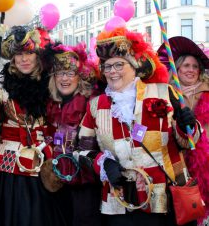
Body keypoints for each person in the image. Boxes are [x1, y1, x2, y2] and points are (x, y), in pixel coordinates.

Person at [77, 27, 200, 226]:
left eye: (118, 65)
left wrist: (187, 125)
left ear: (134, 66)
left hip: (163, 200)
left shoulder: (164, 92)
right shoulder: (96, 105)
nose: (112, 72)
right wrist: (102, 162)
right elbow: (81, 150)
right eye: (107, 67)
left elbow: (189, 143)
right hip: (119, 204)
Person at [0, 26, 67, 226]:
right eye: (19, 54)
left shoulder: (51, 84)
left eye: (29, 53)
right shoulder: (0, 85)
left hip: (41, 161)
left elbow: (57, 126)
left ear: (37, 56)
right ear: (12, 58)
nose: (24, 59)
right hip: (9, 166)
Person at [43, 41, 102, 226]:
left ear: (80, 77)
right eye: (60, 73)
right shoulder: (53, 104)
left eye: (70, 73)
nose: (65, 79)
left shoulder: (90, 103)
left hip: (85, 184)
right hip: (59, 182)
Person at [158, 36, 209, 226]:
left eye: (195, 67)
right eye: (186, 65)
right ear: (176, 68)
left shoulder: (208, 92)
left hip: (205, 164)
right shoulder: (165, 94)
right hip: (176, 168)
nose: (191, 70)